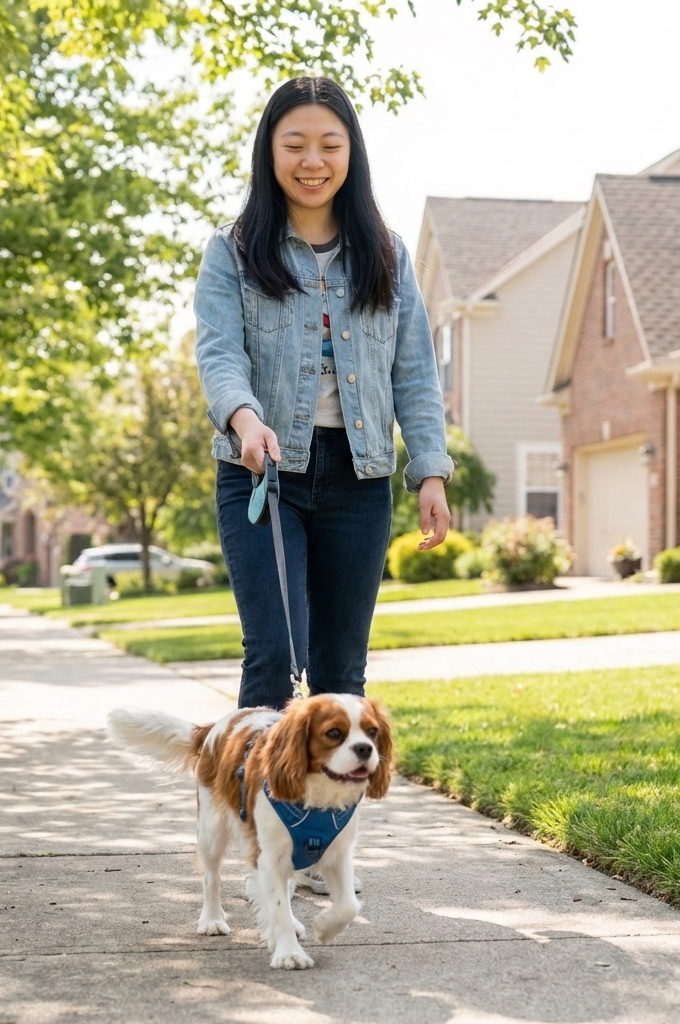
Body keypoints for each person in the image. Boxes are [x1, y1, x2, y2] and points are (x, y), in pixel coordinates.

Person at [195, 75, 453, 716]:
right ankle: (250, 813)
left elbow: (415, 371)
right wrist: (244, 420)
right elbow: (219, 352)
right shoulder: (233, 251)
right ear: (270, 152)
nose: (313, 161)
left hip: (359, 479)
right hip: (264, 474)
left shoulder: (386, 254)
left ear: (351, 153)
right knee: (274, 657)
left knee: (341, 672)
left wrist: (430, 472)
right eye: (295, 144)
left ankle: (329, 818)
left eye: (329, 145)